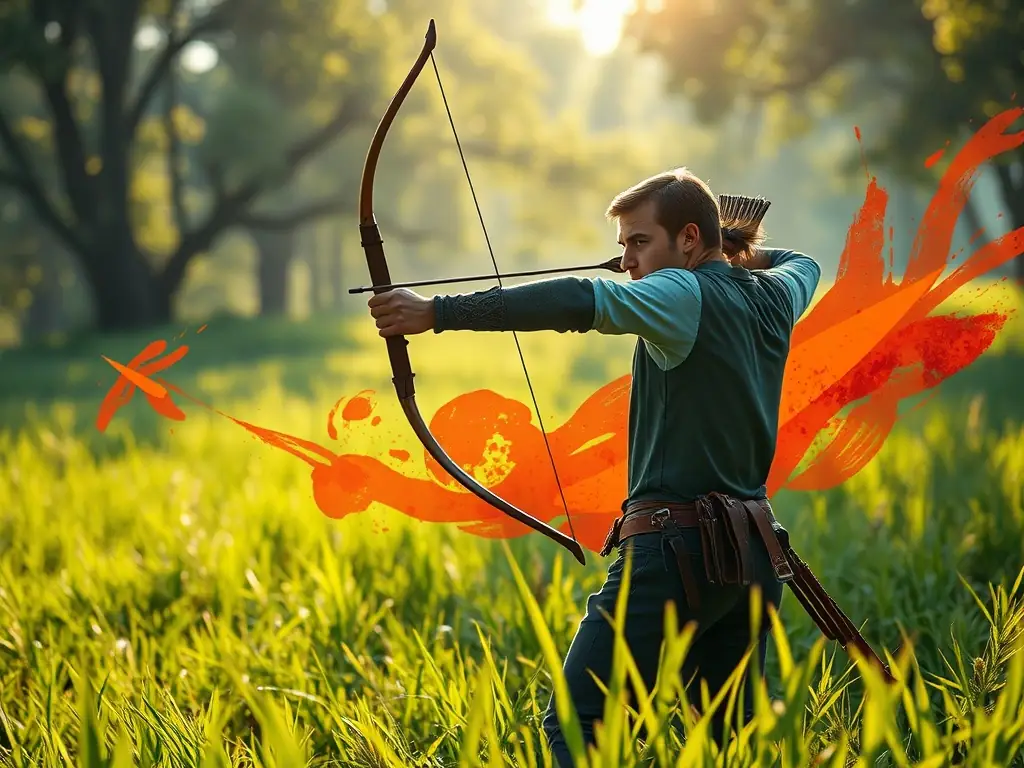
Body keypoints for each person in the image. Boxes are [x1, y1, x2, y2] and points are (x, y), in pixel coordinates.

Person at [366, 167, 821, 764]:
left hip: (674, 551)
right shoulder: (778, 294)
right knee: (729, 746)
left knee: (580, 724)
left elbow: (582, 299)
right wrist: (732, 246)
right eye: (623, 245)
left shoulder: (681, 293)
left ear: (687, 239)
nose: (628, 260)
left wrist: (437, 312)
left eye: (639, 241)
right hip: (751, 554)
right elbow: (803, 260)